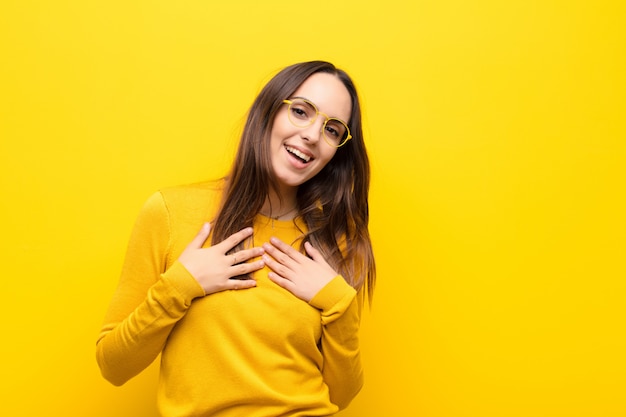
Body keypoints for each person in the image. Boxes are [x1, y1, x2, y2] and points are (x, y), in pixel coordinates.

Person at [96, 60, 376, 417]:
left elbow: (340, 395)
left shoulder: (330, 242)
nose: (312, 135)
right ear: (268, 111)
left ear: (337, 151)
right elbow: (113, 365)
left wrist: (339, 302)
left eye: (332, 130)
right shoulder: (171, 213)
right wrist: (181, 285)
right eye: (302, 111)